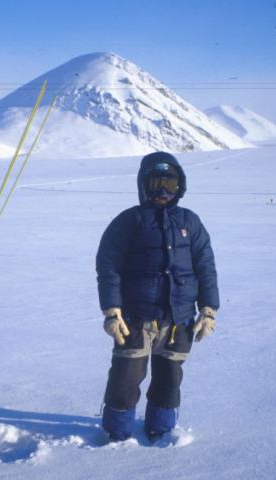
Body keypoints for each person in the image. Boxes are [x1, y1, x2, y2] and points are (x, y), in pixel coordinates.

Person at [96, 151, 219, 441]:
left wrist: (209, 309)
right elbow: (108, 266)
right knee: (126, 377)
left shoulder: (190, 222)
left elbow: (206, 267)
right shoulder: (129, 221)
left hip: (179, 320)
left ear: (180, 187)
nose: (163, 191)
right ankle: (117, 432)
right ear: (143, 186)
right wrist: (112, 311)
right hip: (135, 319)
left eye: (170, 184)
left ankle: (161, 429)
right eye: (155, 184)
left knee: (169, 377)